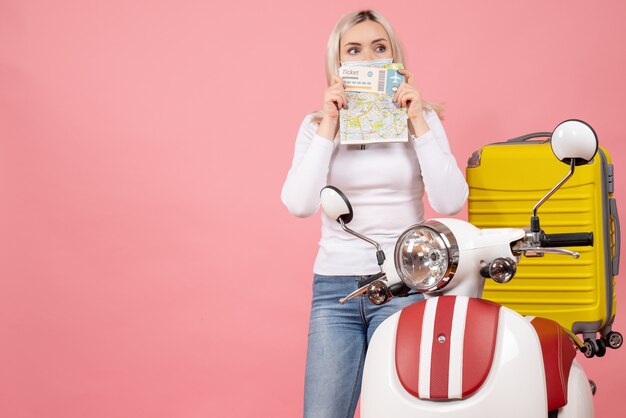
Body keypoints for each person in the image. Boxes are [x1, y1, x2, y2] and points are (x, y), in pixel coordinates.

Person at [281, 10, 469, 418]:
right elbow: (299, 204)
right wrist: (330, 125)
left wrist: (416, 119)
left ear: (394, 57)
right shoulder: (315, 127)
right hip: (335, 291)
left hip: (405, 282)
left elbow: (450, 201)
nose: (367, 58)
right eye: (354, 50)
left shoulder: (422, 119)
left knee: (400, 411)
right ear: (339, 63)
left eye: (378, 48)